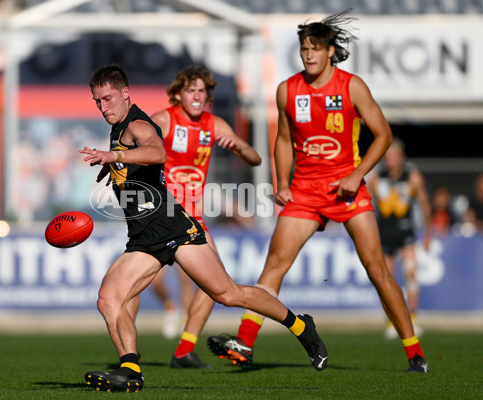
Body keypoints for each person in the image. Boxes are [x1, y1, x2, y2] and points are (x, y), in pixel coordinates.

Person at [79, 64, 328, 392]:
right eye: (98, 101)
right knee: (110, 298)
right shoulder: (119, 127)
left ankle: (300, 325)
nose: (103, 107)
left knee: (227, 293)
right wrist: (117, 166)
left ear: (125, 93)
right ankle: (130, 370)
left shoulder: (137, 124)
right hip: (144, 236)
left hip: (171, 226)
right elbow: (135, 162)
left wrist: (113, 156)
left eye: (108, 99)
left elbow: (157, 151)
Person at [206, 10, 429, 373]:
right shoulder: (288, 90)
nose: (308, 54)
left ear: (330, 51)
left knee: (377, 270)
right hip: (305, 192)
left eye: (315, 48)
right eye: (304, 48)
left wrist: (357, 174)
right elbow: (282, 140)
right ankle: (244, 344)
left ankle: (414, 352)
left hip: (346, 189)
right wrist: (281, 184)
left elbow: (384, 135)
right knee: (274, 266)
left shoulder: (351, 86)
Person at [150, 65, 262, 367]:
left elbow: (255, 157)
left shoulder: (215, 124)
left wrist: (238, 145)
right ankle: (127, 355)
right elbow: (136, 144)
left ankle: (184, 350)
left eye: (202, 91)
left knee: (213, 282)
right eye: (191, 90)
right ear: (178, 94)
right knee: (142, 283)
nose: (198, 96)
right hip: (161, 216)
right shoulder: (163, 120)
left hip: (193, 219)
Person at [368, 138, 432, 339]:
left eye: (393, 157)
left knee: (411, 276)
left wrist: (428, 234)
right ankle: (391, 320)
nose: (389, 161)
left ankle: (412, 317)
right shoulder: (377, 178)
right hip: (384, 233)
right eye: (386, 157)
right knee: (386, 279)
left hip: (406, 233)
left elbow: (424, 204)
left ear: (401, 158)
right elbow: (367, 208)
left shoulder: (412, 177)